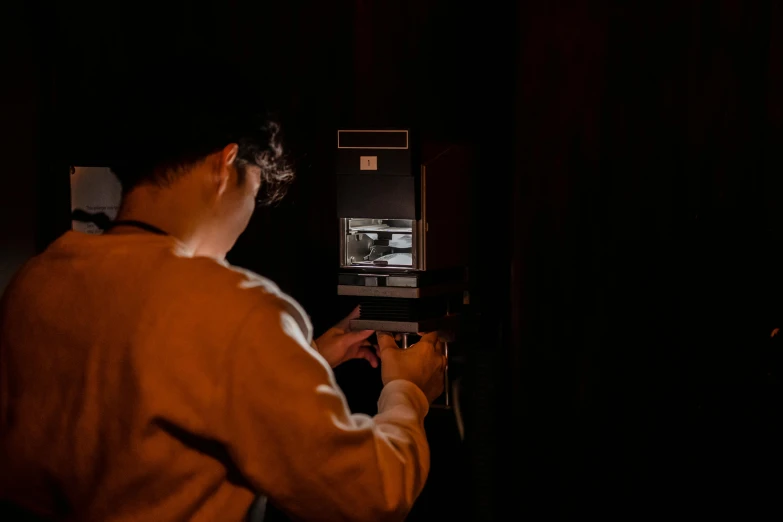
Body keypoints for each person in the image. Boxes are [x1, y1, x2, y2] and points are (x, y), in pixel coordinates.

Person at [0, 62, 446, 521]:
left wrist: (301, 357)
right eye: (253, 191)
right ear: (224, 164)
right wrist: (407, 390)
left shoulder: (36, 283)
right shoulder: (238, 312)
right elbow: (375, 492)